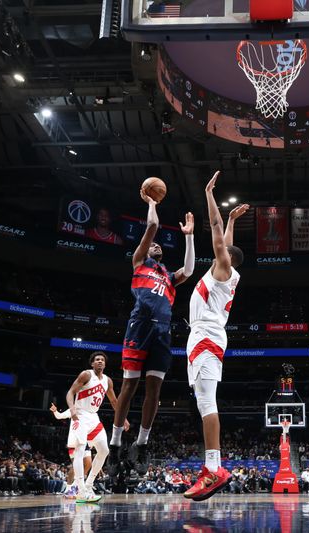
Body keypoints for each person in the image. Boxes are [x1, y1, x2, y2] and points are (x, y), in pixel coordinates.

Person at [110, 193, 195, 475]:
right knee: (129, 386)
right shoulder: (139, 262)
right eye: (152, 246)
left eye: (158, 246)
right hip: (140, 325)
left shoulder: (169, 277)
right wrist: (152, 204)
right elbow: (151, 228)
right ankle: (116, 443)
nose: (156, 246)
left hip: (162, 331)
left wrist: (189, 237)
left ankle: (143, 443)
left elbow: (191, 269)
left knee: (154, 389)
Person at [182, 171, 248, 502]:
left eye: (221, 252)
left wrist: (209, 193)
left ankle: (213, 469)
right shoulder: (224, 271)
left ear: (227, 259)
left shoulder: (224, 269)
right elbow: (227, 242)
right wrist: (234, 219)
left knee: (207, 402)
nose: (216, 252)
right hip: (202, 337)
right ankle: (211, 467)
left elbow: (219, 235)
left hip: (206, 336)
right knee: (202, 401)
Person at [65, 351, 122, 503]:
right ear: (92, 363)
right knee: (80, 450)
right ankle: (80, 489)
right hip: (81, 414)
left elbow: (114, 401)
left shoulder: (108, 381)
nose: (100, 362)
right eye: (97, 360)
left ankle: (89, 485)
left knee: (104, 450)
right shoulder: (86, 375)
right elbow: (70, 393)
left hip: (93, 416)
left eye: (102, 360)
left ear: (105, 364)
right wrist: (72, 408)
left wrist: (124, 419)